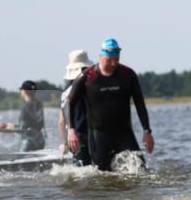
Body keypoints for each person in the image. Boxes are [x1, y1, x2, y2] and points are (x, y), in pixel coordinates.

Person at [66, 39, 154, 171]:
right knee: (102, 174)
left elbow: (140, 104)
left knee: (141, 169)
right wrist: (71, 130)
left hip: (124, 133)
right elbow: (69, 104)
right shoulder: (88, 77)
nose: (113, 63)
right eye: (109, 60)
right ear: (101, 57)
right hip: (99, 135)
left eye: (116, 59)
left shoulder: (128, 75)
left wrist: (147, 131)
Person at [58, 50, 93, 165]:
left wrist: (64, 143)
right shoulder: (90, 89)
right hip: (92, 136)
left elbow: (61, 122)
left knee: (80, 169)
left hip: (74, 139)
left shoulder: (65, 93)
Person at [16, 80, 46, 151]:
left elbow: (23, 127)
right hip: (40, 140)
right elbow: (37, 124)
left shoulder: (26, 106)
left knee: (22, 161)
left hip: (29, 142)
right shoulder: (38, 104)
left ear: (24, 91)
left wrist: (10, 126)